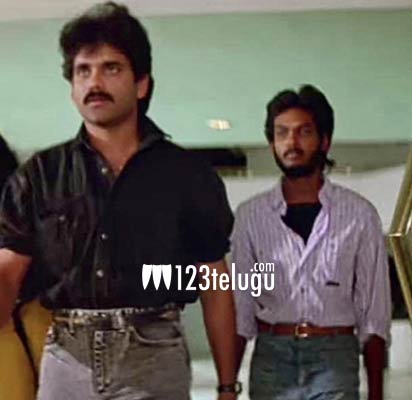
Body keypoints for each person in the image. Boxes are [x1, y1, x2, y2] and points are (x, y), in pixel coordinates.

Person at [0, 3, 239, 399]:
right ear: (73, 88)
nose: (94, 82)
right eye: (83, 71)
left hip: (153, 354)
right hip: (66, 357)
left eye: (110, 68)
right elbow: (8, 274)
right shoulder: (39, 175)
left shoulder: (187, 174)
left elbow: (215, 285)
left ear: (141, 84)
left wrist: (228, 386)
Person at [232, 85, 391, 400]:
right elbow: (241, 309)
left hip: (334, 357)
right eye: (282, 133)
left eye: (303, 132)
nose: (291, 143)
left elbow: (374, 314)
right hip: (271, 358)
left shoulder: (359, 215)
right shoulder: (251, 216)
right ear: (272, 143)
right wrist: (227, 386)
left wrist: (376, 394)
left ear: (324, 140)